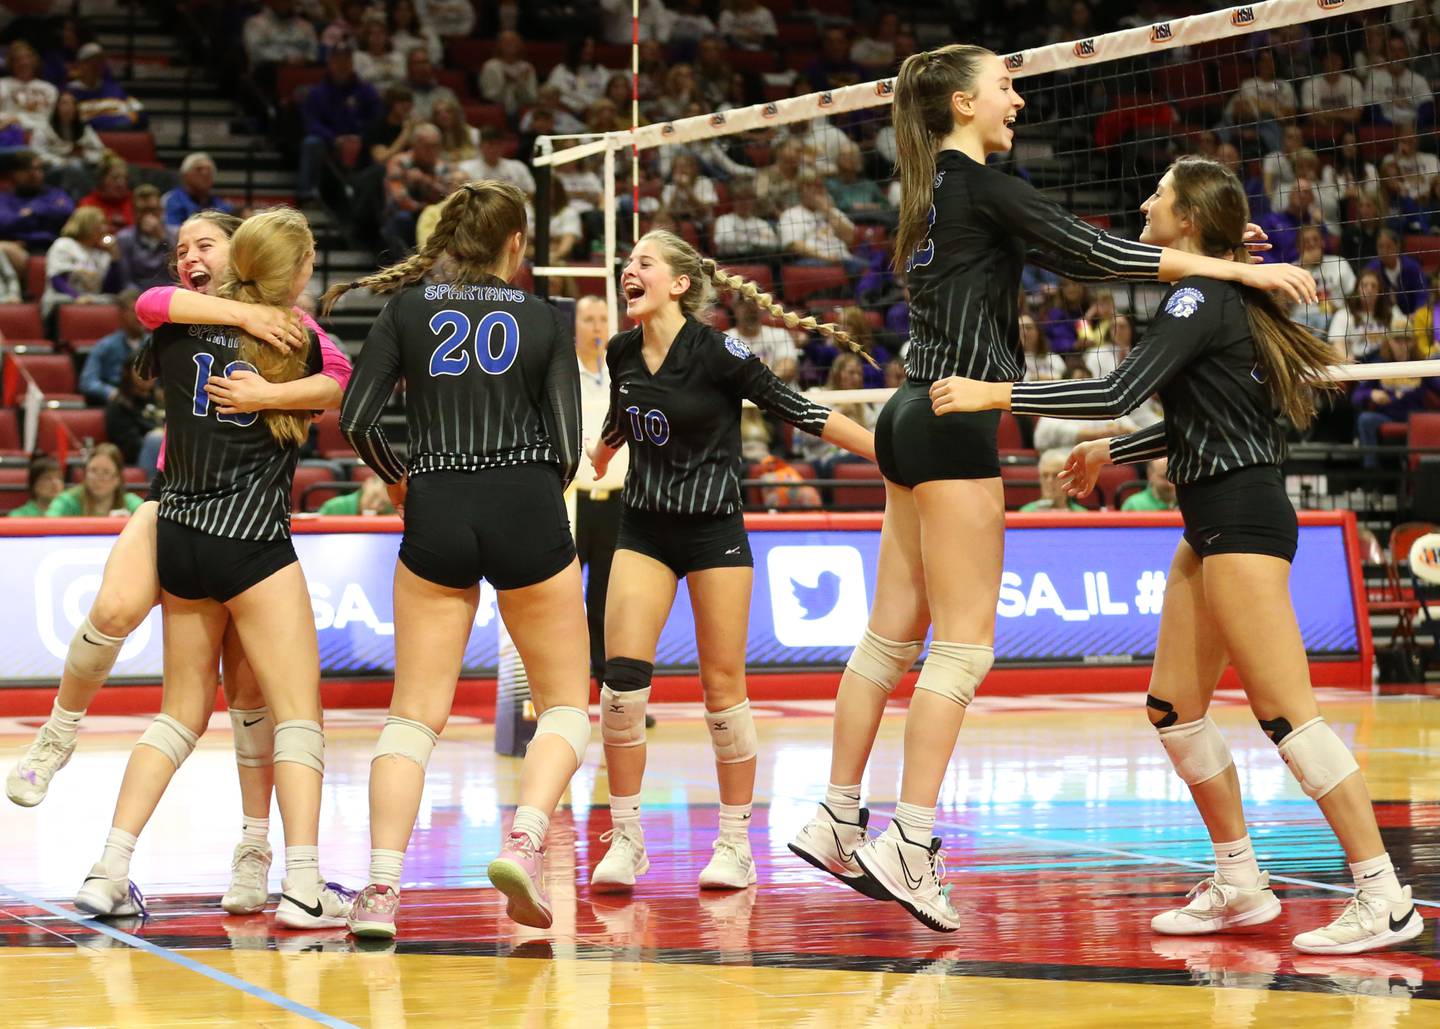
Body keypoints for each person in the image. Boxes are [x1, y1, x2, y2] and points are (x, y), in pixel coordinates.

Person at [787, 46, 1315, 935]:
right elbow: (1095, 252)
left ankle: (838, 814)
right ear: (963, 103)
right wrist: (1239, 269)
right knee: (962, 648)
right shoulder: (979, 184)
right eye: (1004, 86)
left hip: (906, 411)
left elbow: (1103, 246)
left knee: (886, 640)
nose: (1018, 100)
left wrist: (1211, 254)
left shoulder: (930, 195)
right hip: (957, 419)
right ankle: (909, 840)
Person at [929, 155, 1424, 956]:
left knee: (1288, 716)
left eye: (1158, 194)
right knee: (1172, 707)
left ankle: (1382, 893)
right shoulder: (1217, 297)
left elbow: (1118, 386)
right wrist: (1110, 450)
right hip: (1214, 519)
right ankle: (1239, 882)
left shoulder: (1199, 294)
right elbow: (1202, 421)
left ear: (1189, 219)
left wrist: (997, 393)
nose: (1144, 199)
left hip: (1241, 517)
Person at [6, 208, 351, 923]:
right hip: (244, 536)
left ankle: (138, 864)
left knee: (196, 711)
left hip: (184, 532)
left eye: (205, 244)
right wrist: (264, 366)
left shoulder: (179, 330)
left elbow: (151, 305)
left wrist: (261, 389)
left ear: (241, 252)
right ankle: (303, 883)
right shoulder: (290, 335)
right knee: (291, 715)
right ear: (298, 265)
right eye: (181, 247)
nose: (187, 256)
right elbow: (342, 384)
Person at [327, 180, 587, 937]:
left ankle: (379, 892)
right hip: (525, 501)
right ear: (516, 245)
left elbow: (357, 417)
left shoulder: (408, 308)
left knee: (413, 715)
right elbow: (568, 447)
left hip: (438, 497)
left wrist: (401, 481)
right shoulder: (541, 316)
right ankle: (525, 839)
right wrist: (530, 496)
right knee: (567, 703)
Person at [584, 230, 875, 894]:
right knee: (621, 687)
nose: (629, 270)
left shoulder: (720, 351)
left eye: (644, 263)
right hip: (645, 527)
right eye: (628, 263)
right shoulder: (622, 350)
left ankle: (736, 842)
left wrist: (883, 451)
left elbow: (801, 409)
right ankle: (627, 838)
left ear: (679, 284)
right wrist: (597, 459)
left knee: (722, 691)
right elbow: (619, 420)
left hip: (714, 529)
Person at [571, 295, 629, 684]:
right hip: (573, 501)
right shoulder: (562, 374)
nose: (596, 326)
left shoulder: (621, 372)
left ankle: (612, 684)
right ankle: (568, 684)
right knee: (566, 600)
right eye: (588, 319)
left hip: (617, 502)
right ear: (573, 326)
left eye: (602, 319)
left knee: (611, 601)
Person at [42, 206, 122, 317]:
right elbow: (57, 280)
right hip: (64, 300)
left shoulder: (102, 253)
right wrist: (77, 297)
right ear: (86, 225)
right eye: (100, 224)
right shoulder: (64, 244)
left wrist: (114, 260)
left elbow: (109, 288)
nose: (104, 229)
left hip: (93, 301)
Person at [79, 287, 148, 404]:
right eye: (135, 311)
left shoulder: (153, 343)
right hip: (117, 405)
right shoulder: (105, 346)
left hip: (148, 403)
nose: (140, 317)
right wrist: (113, 393)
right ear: (121, 314)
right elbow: (88, 382)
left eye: (143, 312)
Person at [46, 444, 142, 517]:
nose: (98, 478)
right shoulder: (67, 501)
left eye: (106, 472)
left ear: (117, 479)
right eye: (93, 470)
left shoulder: (131, 503)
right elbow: (48, 525)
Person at [104, 363, 164, 471]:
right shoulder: (120, 403)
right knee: (155, 439)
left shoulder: (161, 399)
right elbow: (129, 445)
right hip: (136, 458)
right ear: (128, 373)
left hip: (167, 454)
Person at [162, 153, 234, 229]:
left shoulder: (221, 204)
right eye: (199, 169)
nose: (205, 173)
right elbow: (171, 231)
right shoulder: (171, 199)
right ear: (185, 175)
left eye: (209, 170)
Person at [1017, 448, 1085, 512]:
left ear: (1069, 479)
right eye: (1045, 475)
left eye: (1055, 475)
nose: (1049, 481)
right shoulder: (1025, 513)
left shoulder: (1082, 515)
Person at [317, 474, 395, 515]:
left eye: (382, 504)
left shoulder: (393, 513)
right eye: (374, 497)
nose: (374, 506)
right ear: (367, 484)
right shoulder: (334, 508)